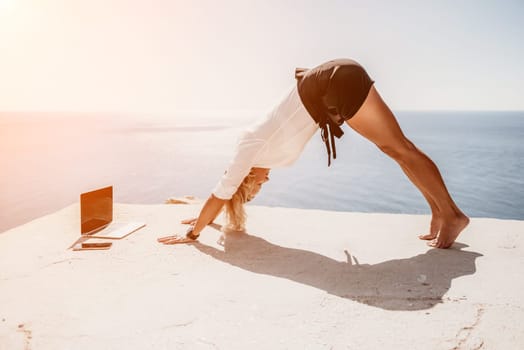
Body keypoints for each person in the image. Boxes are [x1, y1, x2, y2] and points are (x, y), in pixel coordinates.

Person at [158, 58, 469, 249]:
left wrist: (193, 233)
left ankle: (452, 214)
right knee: (395, 148)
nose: (264, 183)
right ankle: (439, 212)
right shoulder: (260, 153)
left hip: (333, 83)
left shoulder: (248, 148)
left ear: (247, 176)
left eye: (256, 186)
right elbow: (225, 194)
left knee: (399, 147)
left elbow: (222, 190)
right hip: (331, 81)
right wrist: (207, 218)